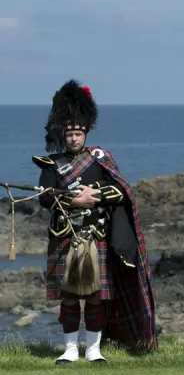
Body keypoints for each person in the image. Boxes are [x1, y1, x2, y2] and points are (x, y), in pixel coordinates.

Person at [33, 79, 158, 364]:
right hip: (64, 237)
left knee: (96, 297)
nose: (73, 139)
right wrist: (76, 200)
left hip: (96, 235)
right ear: (62, 134)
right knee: (68, 297)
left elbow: (122, 191)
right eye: (69, 134)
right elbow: (45, 198)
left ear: (86, 132)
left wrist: (95, 194)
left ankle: (93, 350)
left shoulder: (100, 159)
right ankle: (69, 350)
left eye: (78, 133)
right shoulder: (51, 164)